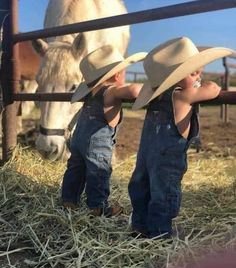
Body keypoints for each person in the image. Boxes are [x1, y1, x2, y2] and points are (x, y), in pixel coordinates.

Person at [128, 37, 233, 238]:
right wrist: (202, 84)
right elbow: (212, 89)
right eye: (193, 72)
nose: (199, 75)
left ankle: (139, 226)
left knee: (141, 187)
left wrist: (192, 79)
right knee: (164, 194)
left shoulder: (155, 98)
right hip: (167, 161)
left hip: (145, 158)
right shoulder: (182, 96)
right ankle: (160, 234)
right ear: (174, 78)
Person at [61, 44, 147, 217]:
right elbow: (134, 90)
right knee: (98, 172)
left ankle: (69, 201)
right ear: (117, 75)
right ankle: (97, 207)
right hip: (97, 144)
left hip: (78, 139)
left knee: (75, 169)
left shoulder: (90, 91)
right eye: (124, 71)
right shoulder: (111, 92)